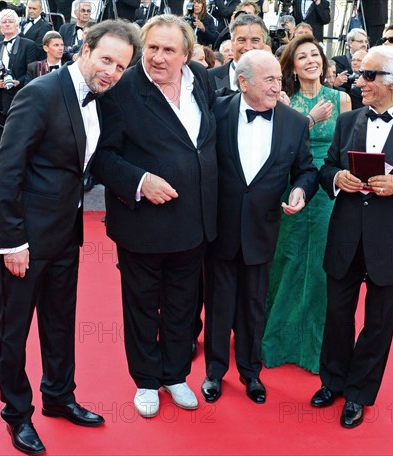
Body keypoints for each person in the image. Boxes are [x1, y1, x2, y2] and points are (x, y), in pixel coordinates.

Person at [0, 20, 140, 455]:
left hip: (67, 233)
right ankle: (16, 415)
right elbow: (8, 169)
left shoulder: (100, 101)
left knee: (59, 321)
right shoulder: (41, 93)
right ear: (84, 49)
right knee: (15, 330)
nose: (111, 71)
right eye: (106, 59)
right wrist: (12, 239)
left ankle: (59, 396)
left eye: (121, 66)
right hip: (25, 237)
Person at [90, 14, 217, 419]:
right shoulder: (122, 90)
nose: (158, 58)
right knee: (143, 306)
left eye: (169, 50)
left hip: (195, 221)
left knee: (184, 305)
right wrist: (141, 180)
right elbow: (101, 158)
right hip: (143, 224)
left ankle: (175, 374)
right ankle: (146, 380)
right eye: (152, 49)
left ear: (187, 54)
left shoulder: (202, 80)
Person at [310, 45, 393, 429]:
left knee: (379, 322)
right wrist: (337, 178)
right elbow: (328, 167)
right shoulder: (348, 120)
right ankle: (332, 381)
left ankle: (358, 393)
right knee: (336, 314)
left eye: (368, 75)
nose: (359, 81)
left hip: (392, 240)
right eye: (360, 74)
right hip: (346, 234)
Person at [201, 49, 318, 404]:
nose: (276, 86)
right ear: (243, 82)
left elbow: (307, 171)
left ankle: (251, 373)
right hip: (219, 227)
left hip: (263, 229)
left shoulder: (295, 123)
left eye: (278, 80)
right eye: (268, 80)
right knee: (219, 303)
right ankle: (214, 372)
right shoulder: (216, 112)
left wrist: (299, 191)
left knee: (254, 305)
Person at [261, 35, 351, 375]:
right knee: (288, 260)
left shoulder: (342, 99)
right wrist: (308, 119)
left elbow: (346, 145)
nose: (311, 60)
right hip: (294, 185)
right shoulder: (286, 101)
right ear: (293, 66)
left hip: (328, 189)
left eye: (315, 54)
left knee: (321, 266)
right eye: (302, 56)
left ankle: (318, 348)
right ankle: (278, 342)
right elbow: (280, 145)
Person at [0, 9, 38, 162]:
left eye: (10, 21)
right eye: (4, 22)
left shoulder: (28, 45)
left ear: (17, 25)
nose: (7, 24)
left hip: (18, 99)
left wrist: (18, 81)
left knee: (16, 140)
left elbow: (31, 71)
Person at [208, 13, 268, 92]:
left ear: (264, 43)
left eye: (255, 40)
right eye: (242, 40)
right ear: (232, 42)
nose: (248, 47)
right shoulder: (209, 77)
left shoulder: (273, 77)